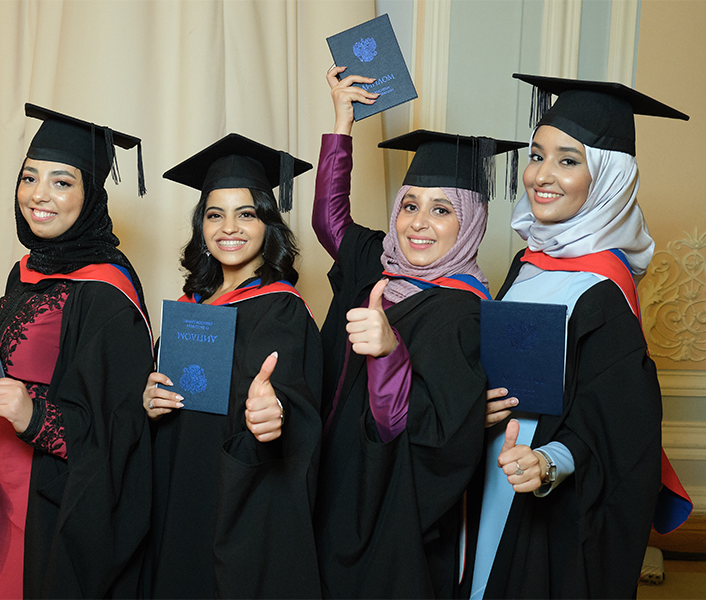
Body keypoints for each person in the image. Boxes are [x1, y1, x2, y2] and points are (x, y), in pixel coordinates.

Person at [469, 74, 692, 599]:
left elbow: (619, 429)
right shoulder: (529, 264)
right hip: (485, 477)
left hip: (535, 494)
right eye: (536, 154)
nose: (541, 176)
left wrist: (550, 462)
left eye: (569, 160)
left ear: (608, 178)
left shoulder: (603, 292)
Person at [312, 66, 524, 599]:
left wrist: (388, 352)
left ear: (471, 222)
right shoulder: (378, 265)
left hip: (391, 504)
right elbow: (328, 221)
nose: (418, 224)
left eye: (442, 209)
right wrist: (342, 120)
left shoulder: (467, 313)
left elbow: (425, 431)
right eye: (409, 205)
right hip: (329, 476)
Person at [0, 105, 154, 599]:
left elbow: (122, 430)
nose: (39, 195)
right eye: (30, 177)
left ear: (90, 196)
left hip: (52, 508)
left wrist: (34, 416)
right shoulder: (24, 271)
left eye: (62, 182)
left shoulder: (107, 293)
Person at [141, 134, 323, 599]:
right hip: (177, 485)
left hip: (235, 498)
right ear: (201, 226)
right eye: (214, 214)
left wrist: (275, 413)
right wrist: (151, 399)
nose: (229, 228)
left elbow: (301, 407)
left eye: (247, 213)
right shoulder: (190, 306)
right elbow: (172, 390)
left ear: (268, 223)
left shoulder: (283, 308)